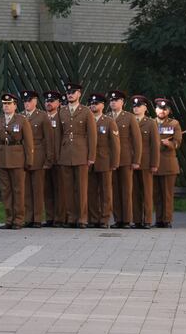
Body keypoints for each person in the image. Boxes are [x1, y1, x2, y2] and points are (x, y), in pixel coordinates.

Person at [58, 82, 96, 228]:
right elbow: (58, 135)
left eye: (73, 92)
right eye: (68, 92)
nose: (70, 94)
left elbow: (92, 136)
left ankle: (82, 218)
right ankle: (71, 217)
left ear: (79, 94)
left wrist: (91, 156)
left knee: (81, 188)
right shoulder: (62, 111)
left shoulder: (86, 112)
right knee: (68, 188)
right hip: (66, 153)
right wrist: (58, 154)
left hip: (81, 153)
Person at [0, 93, 34, 229]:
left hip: (17, 159)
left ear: (15, 106)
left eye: (9, 104)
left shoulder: (21, 120)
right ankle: (9, 218)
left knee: (18, 191)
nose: (6, 106)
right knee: (6, 191)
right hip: (3, 158)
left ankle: (19, 219)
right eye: (4, 104)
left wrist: (29, 160)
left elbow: (28, 143)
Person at [108, 90, 142, 228]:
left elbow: (137, 140)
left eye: (116, 100)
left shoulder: (129, 117)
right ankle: (118, 219)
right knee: (115, 190)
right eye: (111, 100)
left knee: (126, 190)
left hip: (126, 158)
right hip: (110, 159)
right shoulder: (106, 117)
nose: (113, 102)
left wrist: (136, 160)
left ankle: (127, 219)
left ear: (122, 102)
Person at [87, 93, 119, 228]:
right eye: (91, 103)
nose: (93, 105)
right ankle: (93, 219)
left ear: (102, 105)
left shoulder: (108, 121)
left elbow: (115, 144)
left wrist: (115, 162)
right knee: (91, 192)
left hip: (104, 160)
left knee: (106, 192)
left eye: (96, 103)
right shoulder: (87, 120)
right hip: (89, 161)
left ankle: (104, 219)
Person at [21, 90, 51, 227]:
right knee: (26, 189)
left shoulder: (43, 116)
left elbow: (48, 139)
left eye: (30, 101)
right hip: (23, 155)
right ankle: (28, 217)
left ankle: (37, 218)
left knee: (37, 189)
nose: (27, 103)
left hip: (38, 155)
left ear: (35, 102)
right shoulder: (20, 116)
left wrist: (48, 158)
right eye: (25, 101)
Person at [131, 95, 160, 229]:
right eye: (134, 106)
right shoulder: (130, 120)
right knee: (135, 192)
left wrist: (155, 163)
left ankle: (147, 220)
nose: (136, 108)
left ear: (145, 108)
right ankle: (137, 220)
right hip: (131, 161)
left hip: (146, 161)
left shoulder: (150, 122)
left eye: (139, 106)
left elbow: (155, 145)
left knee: (147, 192)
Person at [153, 98, 183, 228]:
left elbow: (177, 142)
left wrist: (169, 143)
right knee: (157, 194)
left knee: (167, 194)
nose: (162, 111)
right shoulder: (150, 123)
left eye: (165, 109)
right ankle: (158, 220)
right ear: (155, 109)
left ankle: (167, 220)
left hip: (168, 164)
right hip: (153, 164)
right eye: (159, 108)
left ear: (169, 111)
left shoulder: (174, 124)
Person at [42, 91, 63, 227]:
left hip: (60, 158)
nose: (49, 103)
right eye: (47, 101)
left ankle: (60, 218)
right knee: (47, 190)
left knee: (60, 190)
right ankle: (49, 217)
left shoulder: (62, 117)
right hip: (44, 159)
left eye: (52, 101)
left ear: (59, 103)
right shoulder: (42, 118)